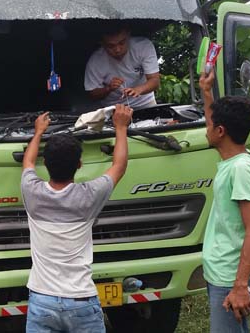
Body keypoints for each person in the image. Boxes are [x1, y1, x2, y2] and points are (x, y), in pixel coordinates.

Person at [21, 105, 132, 333]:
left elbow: (28, 163)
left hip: (42, 300)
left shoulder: (31, 192)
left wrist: (38, 132)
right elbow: (119, 166)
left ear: (47, 164)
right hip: (82, 300)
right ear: (79, 166)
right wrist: (121, 128)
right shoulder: (89, 196)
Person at [199, 70, 250, 333]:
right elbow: (214, 120)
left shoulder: (240, 169)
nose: (206, 128)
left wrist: (239, 286)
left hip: (230, 276)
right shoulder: (234, 158)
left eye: (209, 124)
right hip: (224, 271)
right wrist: (206, 91)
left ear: (221, 131)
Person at [84, 26, 161, 109]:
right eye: (111, 46)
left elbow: (155, 81)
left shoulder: (143, 46)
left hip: (145, 103)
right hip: (114, 108)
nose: (117, 50)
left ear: (128, 36)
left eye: (122, 43)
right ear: (102, 44)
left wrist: (138, 90)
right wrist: (108, 88)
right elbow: (93, 94)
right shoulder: (96, 60)